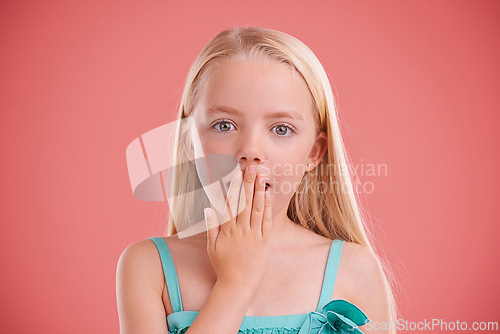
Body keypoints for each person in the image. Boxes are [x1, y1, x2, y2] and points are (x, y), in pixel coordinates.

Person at [117, 25, 398, 334]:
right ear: (189, 144)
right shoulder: (147, 266)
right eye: (224, 125)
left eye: (281, 129)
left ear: (314, 154)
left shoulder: (355, 270)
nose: (250, 151)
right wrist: (235, 283)